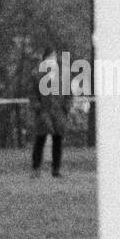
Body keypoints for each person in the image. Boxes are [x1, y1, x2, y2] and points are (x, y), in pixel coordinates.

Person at [29, 47, 71, 178]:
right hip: (44, 112)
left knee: (57, 141)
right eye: (50, 57)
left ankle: (56, 169)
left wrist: (65, 108)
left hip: (58, 113)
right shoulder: (37, 75)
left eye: (54, 57)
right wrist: (38, 107)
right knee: (40, 140)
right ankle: (36, 169)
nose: (52, 60)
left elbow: (69, 94)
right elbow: (32, 94)